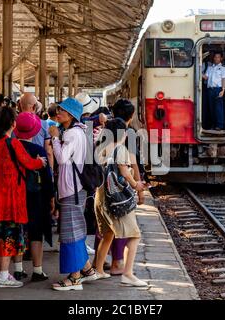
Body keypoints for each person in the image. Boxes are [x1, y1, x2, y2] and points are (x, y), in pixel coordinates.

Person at [0, 106, 45, 288]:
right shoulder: (13, 143)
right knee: (8, 236)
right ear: (13, 124)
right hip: (10, 198)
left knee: (0, 235)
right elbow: (29, 163)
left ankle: (0, 272)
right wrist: (41, 162)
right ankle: (4, 276)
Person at [48, 97, 99, 291]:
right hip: (77, 188)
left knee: (70, 234)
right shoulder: (80, 132)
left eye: (60, 110)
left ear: (70, 115)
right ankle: (87, 270)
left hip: (72, 188)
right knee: (76, 231)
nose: (57, 113)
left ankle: (74, 278)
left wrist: (54, 138)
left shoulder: (71, 134)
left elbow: (61, 158)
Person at [94, 118, 147, 287]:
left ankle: (98, 270)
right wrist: (136, 185)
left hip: (101, 197)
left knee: (108, 234)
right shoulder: (121, 149)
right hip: (117, 200)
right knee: (135, 235)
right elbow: (124, 171)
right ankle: (128, 274)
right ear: (123, 133)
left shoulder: (99, 148)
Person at [14, 112, 55, 282]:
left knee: (18, 231)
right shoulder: (39, 150)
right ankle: (37, 270)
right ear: (34, 132)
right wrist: (52, 198)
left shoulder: (12, 147)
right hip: (37, 196)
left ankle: (17, 268)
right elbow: (47, 177)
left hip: (16, 195)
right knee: (36, 232)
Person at [19, 93, 54, 170]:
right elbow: (48, 151)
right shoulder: (44, 124)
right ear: (34, 106)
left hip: (19, 166)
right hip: (39, 164)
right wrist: (50, 171)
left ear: (19, 105)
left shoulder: (13, 123)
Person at [202, 52, 225, 131]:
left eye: (218, 57)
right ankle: (213, 125)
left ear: (221, 59)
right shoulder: (210, 68)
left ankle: (220, 125)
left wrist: (223, 90)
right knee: (211, 108)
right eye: (215, 57)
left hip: (218, 89)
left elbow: (224, 79)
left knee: (218, 108)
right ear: (213, 58)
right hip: (210, 90)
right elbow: (206, 77)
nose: (216, 58)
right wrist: (199, 69)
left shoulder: (223, 68)